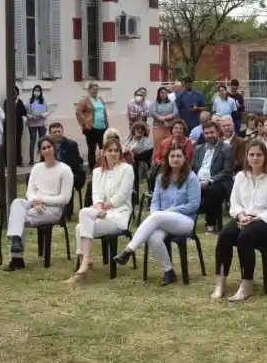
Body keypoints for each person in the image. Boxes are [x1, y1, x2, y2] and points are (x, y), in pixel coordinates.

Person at [113, 144, 200, 286]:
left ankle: (129, 251)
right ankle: (169, 272)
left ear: (185, 158)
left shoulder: (191, 178)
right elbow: (154, 202)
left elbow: (193, 205)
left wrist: (170, 211)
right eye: (172, 156)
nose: (175, 159)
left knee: (156, 217)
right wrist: (156, 215)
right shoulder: (161, 178)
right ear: (167, 158)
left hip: (185, 221)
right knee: (153, 237)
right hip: (162, 220)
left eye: (179, 156)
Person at [212, 139, 267, 301]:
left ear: (265, 157)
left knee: (244, 237)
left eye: (259, 155)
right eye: (251, 154)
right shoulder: (240, 176)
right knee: (225, 235)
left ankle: (247, 285)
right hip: (243, 217)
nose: (255, 158)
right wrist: (241, 216)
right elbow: (235, 202)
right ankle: (220, 282)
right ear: (246, 157)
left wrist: (255, 219)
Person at [67, 137, 134, 282]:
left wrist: (103, 207)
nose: (114, 153)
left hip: (119, 215)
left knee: (82, 222)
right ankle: (86, 259)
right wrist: (98, 208)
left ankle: (85, 262)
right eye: (110, 150)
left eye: (117, 150)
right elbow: (96, 194)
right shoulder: (97, 172)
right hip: (100, 212)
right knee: (82, 221)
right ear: (104, 152)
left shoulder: (127, 169)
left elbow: (122, 196)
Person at [5, 137, 74, 271]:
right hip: (35, 204)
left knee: (17, 218)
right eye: (44, 148)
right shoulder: (37, 168)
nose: (47, 150)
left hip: (54, 209)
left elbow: (65, 198)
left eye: (49, 147)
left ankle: (16, 259)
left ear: (54, 148)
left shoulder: (65, 170)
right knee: (17, 203)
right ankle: (17, 244)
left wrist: (42, 201)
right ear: (40, 152)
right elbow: (30, 191)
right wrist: (35, 202)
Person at [190, 121, 234, 234]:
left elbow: (227, 171)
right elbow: (193, 167)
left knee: (212, 191)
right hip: (198, 181)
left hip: (219, 182)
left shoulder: (227, 148)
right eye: (207, 133)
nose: (209, 135)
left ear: (218, 132)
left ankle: (211, 224)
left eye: (212, 132)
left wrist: (209, 181)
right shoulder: (199, 148)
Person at [75, 82, 108, 171]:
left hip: (102, 127)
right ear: (89, 90)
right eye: (93, 89)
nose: (95, 91)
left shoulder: (100, 99)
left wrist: (107, 125)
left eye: (97, 89)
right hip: (91, 128)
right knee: (92, 149)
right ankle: (92, 168)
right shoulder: (85, 99)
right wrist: (85, 124)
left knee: (104, 148)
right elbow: (78, 112)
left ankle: (104, 166)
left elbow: (104, 113)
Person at [3, 86, 27, 166]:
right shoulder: (7, 101)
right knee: (8, 142)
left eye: (15, 93)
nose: (14, 94)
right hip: (9, 125)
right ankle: (7, 161)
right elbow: (7, 111)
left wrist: (17, 112)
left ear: (17, 93)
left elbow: (24, 111)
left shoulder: (20, 102)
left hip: (18, 125)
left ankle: (18, 161)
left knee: (17, 143)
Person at [26, 84, 49, 166]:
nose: (37, 92)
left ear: (41, 92)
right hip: (32, 123)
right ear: (33, 92)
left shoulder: (43, 101)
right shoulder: (29, 101)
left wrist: (42, 115)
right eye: (35, 90)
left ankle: (42, 158)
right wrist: (32, 117)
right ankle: (31, 160)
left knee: (42, 141)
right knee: (32, 141)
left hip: (42, 122)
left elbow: (47, 111)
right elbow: (27, 113)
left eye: (38, 90)